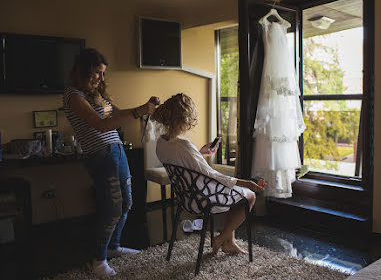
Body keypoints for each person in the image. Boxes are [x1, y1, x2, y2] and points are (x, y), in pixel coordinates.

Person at [63, 48, 160, 277]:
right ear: (84, 69)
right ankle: (98, 260)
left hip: (116, 150)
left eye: (103, 73)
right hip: (100, 155)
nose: (101, 78)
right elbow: (102, 124)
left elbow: (120, 114)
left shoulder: (99, 95)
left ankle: (114, 247)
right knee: (112, 209)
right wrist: (138, 112)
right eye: (97, 72)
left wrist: (146, 108)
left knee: (126, 202)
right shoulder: (73, 95)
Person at [152, 93, 266, 254]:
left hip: (186, 198)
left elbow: (186, 166)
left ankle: (230, 242)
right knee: (249, 196)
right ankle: (222, 237)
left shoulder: (161, 143)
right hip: (203, 199)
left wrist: (200, 154)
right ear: (185, 121)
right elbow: (212, 175)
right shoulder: (184, 145)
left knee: (234, 192)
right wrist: (245, 182)